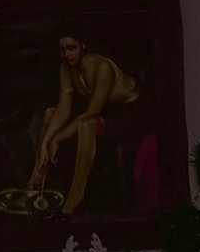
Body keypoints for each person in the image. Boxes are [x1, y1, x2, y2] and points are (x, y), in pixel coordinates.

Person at [29, 30, 154, 217]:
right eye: (62, 50)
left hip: (129, 112)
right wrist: (47, 141)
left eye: (72, 48)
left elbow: (92, 112)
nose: (67, 54)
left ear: (83, 46)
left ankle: (74, 200)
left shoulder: (102, 67)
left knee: (86, 125)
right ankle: (36, 182)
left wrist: (58, 138)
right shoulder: (66, 68)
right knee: (49, 114)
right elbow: (64, 109)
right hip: (103, 109)